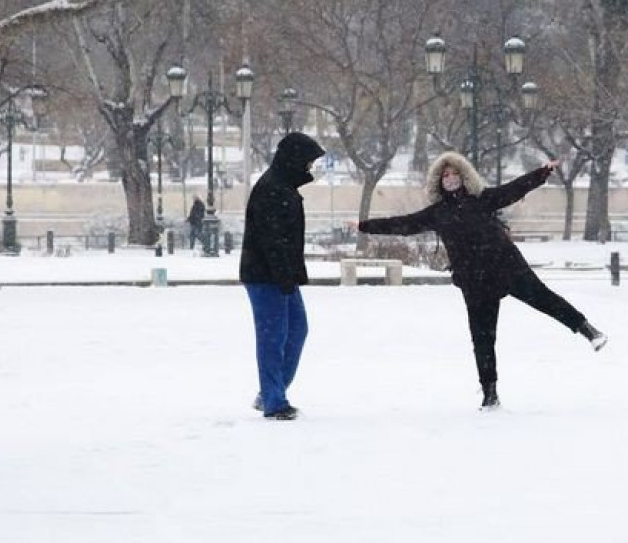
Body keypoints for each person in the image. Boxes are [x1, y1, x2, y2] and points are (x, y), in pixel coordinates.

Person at [353, 152, 606, 411]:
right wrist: (364, 226)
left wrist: (542, 173)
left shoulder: (483, 199)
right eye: (445, 175)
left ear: (464, 176)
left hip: (506, 267)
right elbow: (402, 224)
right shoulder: (437, 213)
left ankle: (588, 330)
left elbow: (514, 189)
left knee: (546, 300)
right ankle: (490, 395)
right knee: (482, 338)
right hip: (474, 281)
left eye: (454, 174)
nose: (450, 178)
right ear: (438, 182)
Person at [240, 131, 326, 421]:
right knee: (272, 338)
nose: (310, 167)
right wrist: (283, 275)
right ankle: (274, 401)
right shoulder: (272, 188)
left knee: (296, 331)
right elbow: (270, 239)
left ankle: (270, 393)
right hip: (266, 277)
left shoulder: (283, 186)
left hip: (280, 276)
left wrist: (290, 275)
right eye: (308, 161)